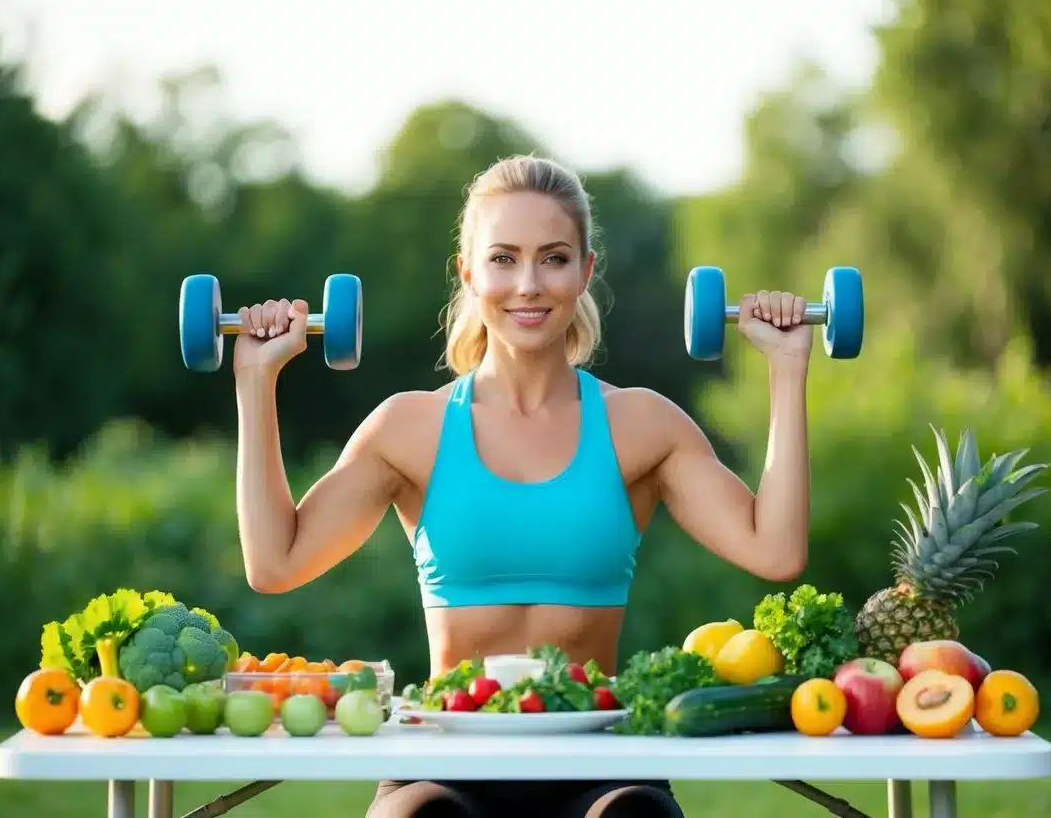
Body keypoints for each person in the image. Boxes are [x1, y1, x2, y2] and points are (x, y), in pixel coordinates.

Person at [232, 154, 813, 818]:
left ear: (586, 271)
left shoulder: (641, 425)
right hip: (446, 761)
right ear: (468, 271)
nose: (528, 285)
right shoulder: (409, 428)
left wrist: (786, 369)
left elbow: (775, 552)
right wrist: (256, 381)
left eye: (554, 258)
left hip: (599, 761)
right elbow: (274, 563)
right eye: (503, 259)